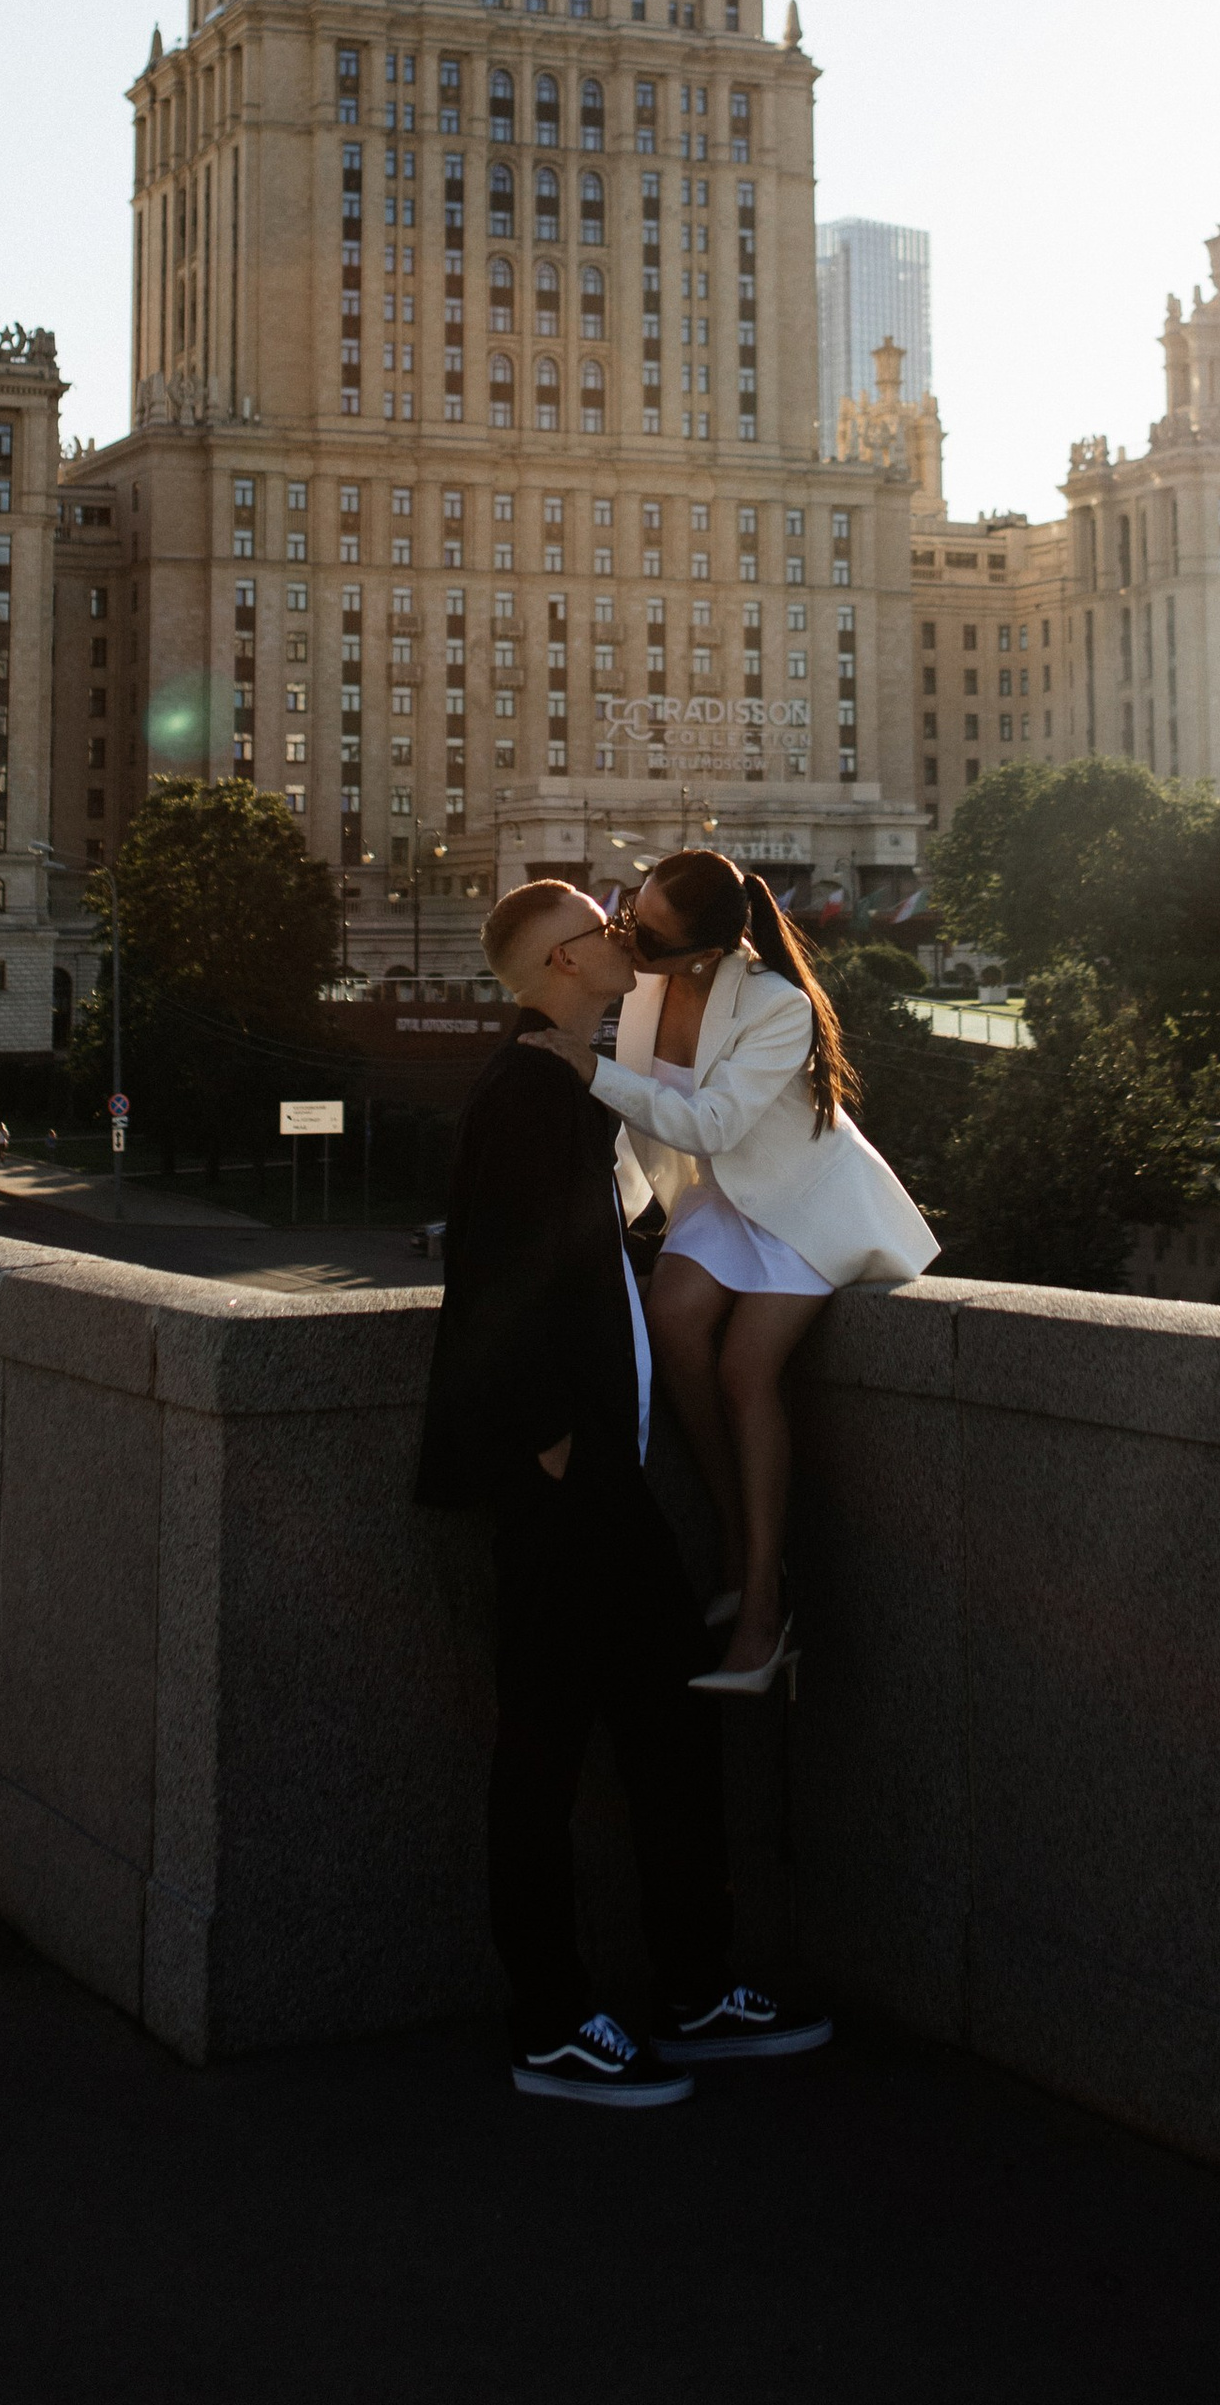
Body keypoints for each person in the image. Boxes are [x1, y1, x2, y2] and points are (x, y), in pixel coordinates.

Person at [415, 877, 831, 2109]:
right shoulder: (523, 1092)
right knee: (540, 1751)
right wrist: (549, 1438)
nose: (618, 940)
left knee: (664, 1725)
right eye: (596, 932)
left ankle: (695, 1989)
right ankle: (550, 2021)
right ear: (554, 968)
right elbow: (495, 1271)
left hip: (605, 1469)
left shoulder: (568, 1076)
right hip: (563, 1477)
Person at [540, 852, 935, 1695]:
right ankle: (735, 1534)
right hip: (720, 1197)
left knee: (744, 1368)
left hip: (799, 1201)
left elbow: (711, 1123)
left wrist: (591, 1071)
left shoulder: (776, 1006)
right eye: (627, 909)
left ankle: (762, 1613)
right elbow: (645, 1125)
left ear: (702, 953)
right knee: (673, 1322)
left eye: (645, 930)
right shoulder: (648, 980)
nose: (625, 932)